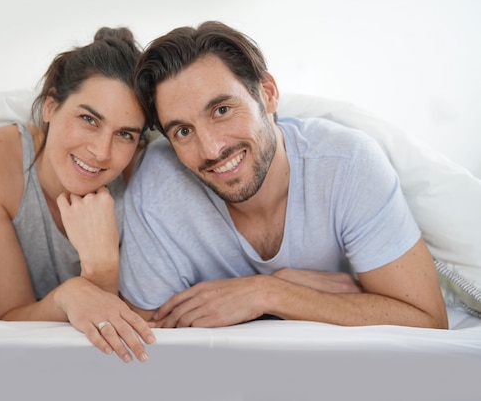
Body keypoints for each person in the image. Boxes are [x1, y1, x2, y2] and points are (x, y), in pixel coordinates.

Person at [119, 21, 448, 329]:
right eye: (183, 131)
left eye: (221, 111)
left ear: (268, 93)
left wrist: (269, 293)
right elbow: (153, 333)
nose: (211, 149)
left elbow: (427, 320)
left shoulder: (347, 163)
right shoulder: (158, 187)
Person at [0, 27, 155, 363]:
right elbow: (8, 315)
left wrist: (101, 272)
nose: (100, 151)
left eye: (124, 134)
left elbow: (143, 322)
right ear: (50, 106)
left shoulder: (146, 174)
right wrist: (70, 294)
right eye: (88, 119)